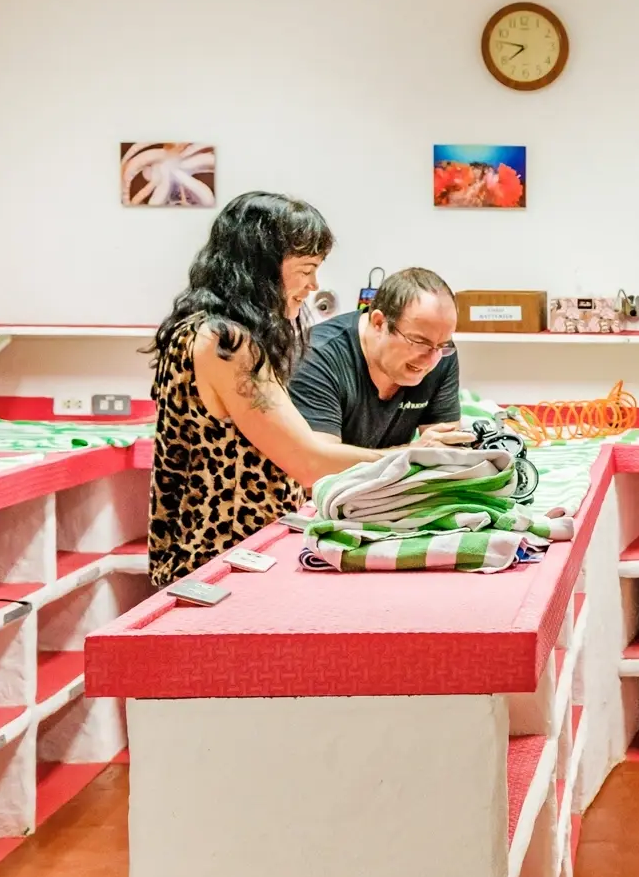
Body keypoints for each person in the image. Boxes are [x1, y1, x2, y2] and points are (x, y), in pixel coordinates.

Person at [146, 192, 383, 586]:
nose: (313, 285)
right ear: (261, 267)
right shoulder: (226, 342)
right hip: (224, 559)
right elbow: (307, 461)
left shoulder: (198, 328)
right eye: (307, 269)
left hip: (216, 555)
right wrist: (412, 460)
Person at [288, 267, 473, 450]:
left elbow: (442, 451)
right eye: (418, 342)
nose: (431, 360)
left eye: (442, 345)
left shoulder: (441, 353)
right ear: (379, 323)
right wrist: (410, 453)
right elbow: (319, 464)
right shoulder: (314, 355)